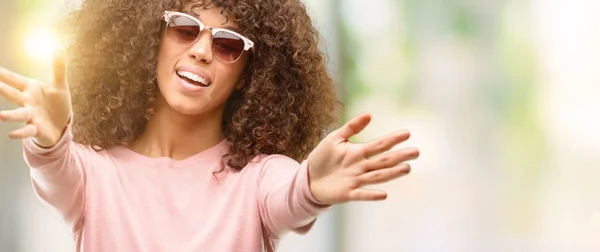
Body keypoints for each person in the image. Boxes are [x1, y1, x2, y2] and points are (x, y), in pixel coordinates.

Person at [0, 0, 419, 251]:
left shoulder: (259, 180)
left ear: (253, 72)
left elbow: (289, 197)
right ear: (150, 36)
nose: (202, 51)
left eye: (227, 44)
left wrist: (310, 187)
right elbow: (55, 173)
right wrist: (51, 139)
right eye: (184, 28)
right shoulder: (93, 173)